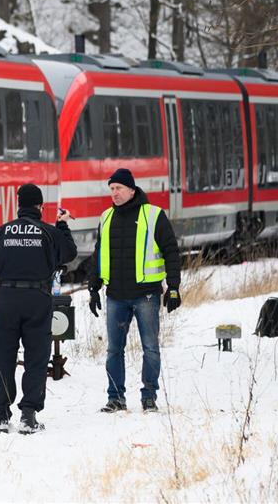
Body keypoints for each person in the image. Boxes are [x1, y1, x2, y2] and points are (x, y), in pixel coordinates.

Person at [0, 183, 76, 434]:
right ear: (40, 206)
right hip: (37, 298)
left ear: (19, 205)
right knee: (36, 357)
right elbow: (69, 253)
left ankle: (0, 416)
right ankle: (28, 416)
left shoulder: (3, 231)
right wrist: (62, 224)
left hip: (7, 298)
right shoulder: (48, 232)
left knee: (2, 356)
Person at [88, 168, 181, 413]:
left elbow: (171, 251)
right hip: (115, 295)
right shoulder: (106, 217)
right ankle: (115, 398)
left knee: (150, 348)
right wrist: (93, 287)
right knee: (113, 350)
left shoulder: (153, 215)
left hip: (146, 295)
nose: (114, 193)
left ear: (131, 189)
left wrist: (173, 287)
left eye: (118, 188)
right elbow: (98, 254)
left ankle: (149, 396)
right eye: (111, 189)